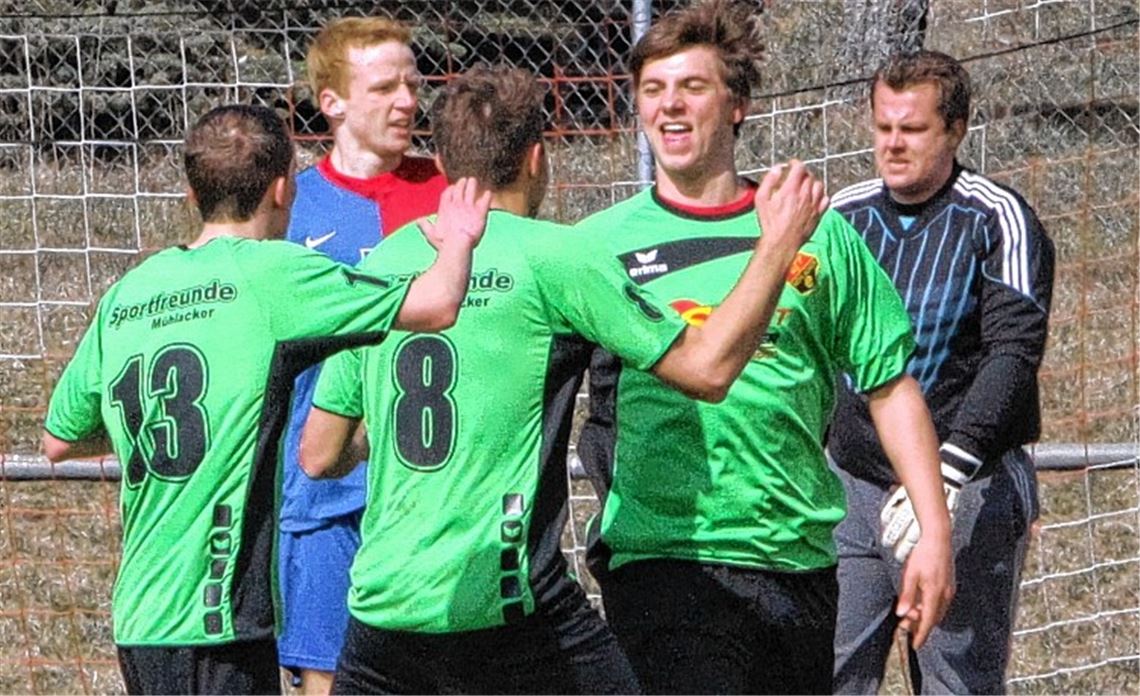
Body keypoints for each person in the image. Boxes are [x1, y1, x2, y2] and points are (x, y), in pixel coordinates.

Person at [298, 63, 827, 694]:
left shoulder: (386, 260)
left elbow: (320, 454)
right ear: (536, 158)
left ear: (439, 161)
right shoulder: (555, 256)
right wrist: (777, 245)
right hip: (504, 605)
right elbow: (707, 369)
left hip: (383, 610)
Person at [40, 104, 488, 695]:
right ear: (282, 189)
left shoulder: (130, 292)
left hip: (139, 617)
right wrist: (459, 240)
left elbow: (59, 440)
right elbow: (437, 304)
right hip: (216, 618)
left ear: (192, 194)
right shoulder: (274, 274)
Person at [575, 1, 955, 693]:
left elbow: (889, 385)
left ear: (738, 104)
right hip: (668, 560)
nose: (669, 106)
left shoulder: (819, 232)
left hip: (797, 560)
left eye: (692, 87)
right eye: (653, 89)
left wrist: (934, 531)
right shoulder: (598, 246)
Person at [828, 50, 1054, 694]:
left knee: (957, 682)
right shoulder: (841, 218)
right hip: (854, 485)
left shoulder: (997, 218)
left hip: (968, 484)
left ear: (955, 130)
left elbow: (1013, 354)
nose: (893, 144)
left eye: (913, 128)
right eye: (883, 127)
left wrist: (949, 473)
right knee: (827, 673)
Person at [278, 17, 448, 695]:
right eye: (384, 88)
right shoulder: (289, 211)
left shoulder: (449, 199)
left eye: (413, 84)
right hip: (321, 498)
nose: (407, 101)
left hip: (428, 498)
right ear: (333, 102)